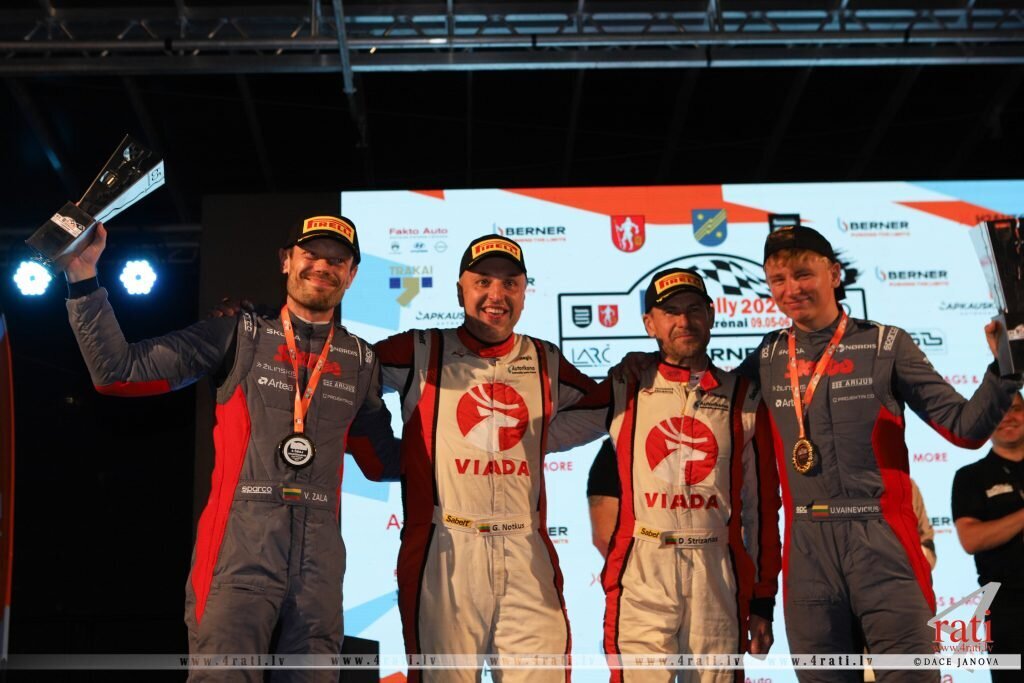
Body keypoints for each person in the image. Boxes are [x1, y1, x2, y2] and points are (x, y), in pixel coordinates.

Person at [63, 215, 399, 682]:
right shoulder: (238, 334)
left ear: (352, 274)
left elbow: (382, 460)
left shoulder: (360, 360)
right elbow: (118, 372)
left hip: (320, 566)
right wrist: (83, 278)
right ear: (286, 261)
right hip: (239, 551)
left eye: (337, 260)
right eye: (311, 254)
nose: (323, 266)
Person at [734, 225, 1022, 682]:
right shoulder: (767, 357)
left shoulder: (887, 345)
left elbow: (964, 428)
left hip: (884, 543)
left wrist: (1006, 364)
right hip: (808, 549)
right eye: (778, 280)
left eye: (803, 274)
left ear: (834, 274)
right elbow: (713, 410)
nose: (791, 289)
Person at [373, 235, 600, 683]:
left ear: (524, 292)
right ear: (460, 290)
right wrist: (381, 456)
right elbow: (340, 373)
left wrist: (541, 438)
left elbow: (609, 410)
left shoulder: (545, 358)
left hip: (525, 548)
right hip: (444, 547)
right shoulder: (421, 349)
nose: (497, 295)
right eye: (483, 282)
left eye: (510, 284)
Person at [549, 268, 782, 682]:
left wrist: (763, 600)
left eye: (694, 309)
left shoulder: (744, 398)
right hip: (643, 571)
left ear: (712, 315)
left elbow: (761, 509)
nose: (684, 321)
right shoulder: (625, 387)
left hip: (717, 573)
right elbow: (542, 434)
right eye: (670, 312)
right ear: (649, 324)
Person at [952, 392, 1024, 682]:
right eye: (999, 411)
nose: (1008, 417)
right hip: (1007, 610)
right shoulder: (970, 477)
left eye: (1016, 409)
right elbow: (971, 539)